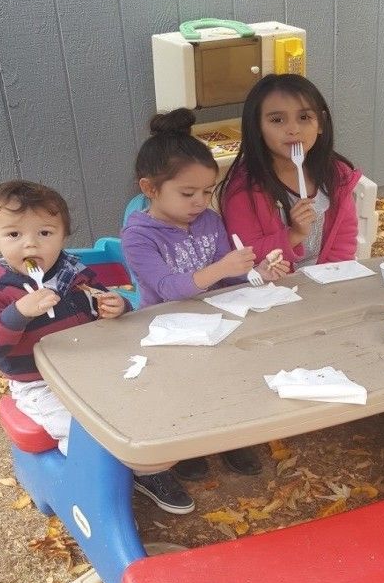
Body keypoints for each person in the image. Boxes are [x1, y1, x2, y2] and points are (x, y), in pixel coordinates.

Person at [0, 180, 194, 515]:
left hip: (92, 368)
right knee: (85, 431)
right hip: (39, 383)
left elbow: (98, 298)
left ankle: (150, 471)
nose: (30, 244)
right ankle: (94, 486)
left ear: (62, 235)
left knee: (141, 403)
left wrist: (115, 306)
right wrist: (18, 313)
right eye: (14, 235)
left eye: (45, 233)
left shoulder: (73, 273)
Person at [121, 109, 290, 483]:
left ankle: (229, 438)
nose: (200, 201)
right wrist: (225, 268)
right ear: (149, 188)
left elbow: (225, 282)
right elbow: (167, 288)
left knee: (230, 378)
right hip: (165, 326)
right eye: (187, 193)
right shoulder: (138, 236)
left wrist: (258, 274)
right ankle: (186, 447)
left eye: (208, 192)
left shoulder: (209, 221)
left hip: (215, 318)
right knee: (180, 389)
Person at [218, 73, 362, 267]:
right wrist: (294, 234)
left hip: (326, 283)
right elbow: (246, 256)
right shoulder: (244, 190)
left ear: (321, 122)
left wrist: (331, 285)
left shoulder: (336, 175)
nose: (293, 129)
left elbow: (343, 245)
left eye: (304, 117)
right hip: (273, 289)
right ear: (257, 127)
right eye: (277, 120)